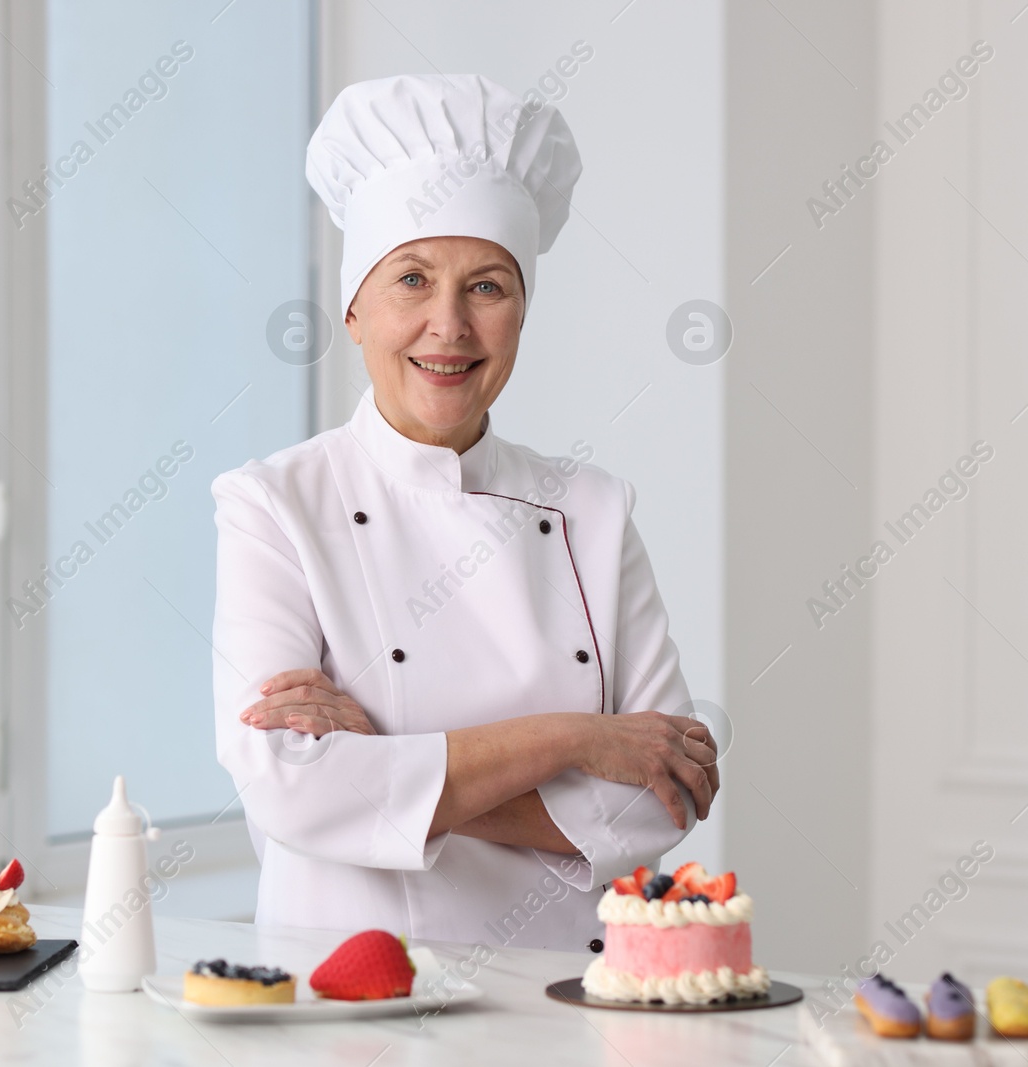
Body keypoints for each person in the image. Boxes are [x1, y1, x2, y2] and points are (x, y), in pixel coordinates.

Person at [211, 74, 717, 950]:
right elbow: (292, 787)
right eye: (412, 280)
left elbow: (659, 800)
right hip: (349, 1002)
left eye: (487, 286)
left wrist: (388, 754)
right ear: (355, 311)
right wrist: (575, 738)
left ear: (522, 312)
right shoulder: (273, 504)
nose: (448, 327)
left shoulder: (593, 510)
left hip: (563, 1001)